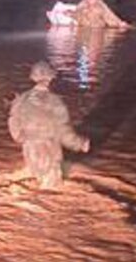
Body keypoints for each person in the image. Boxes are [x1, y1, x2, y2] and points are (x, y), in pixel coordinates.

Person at [7, 62, 89, 191]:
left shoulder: (21, 98)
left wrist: (20, 138)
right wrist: (80, 143)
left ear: (33, 77)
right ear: (50, 78)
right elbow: (63, 130)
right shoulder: (54, 101)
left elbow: (13, 121)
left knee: (36, 179)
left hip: (29, 150)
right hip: (48, 149)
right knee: (51, 188)